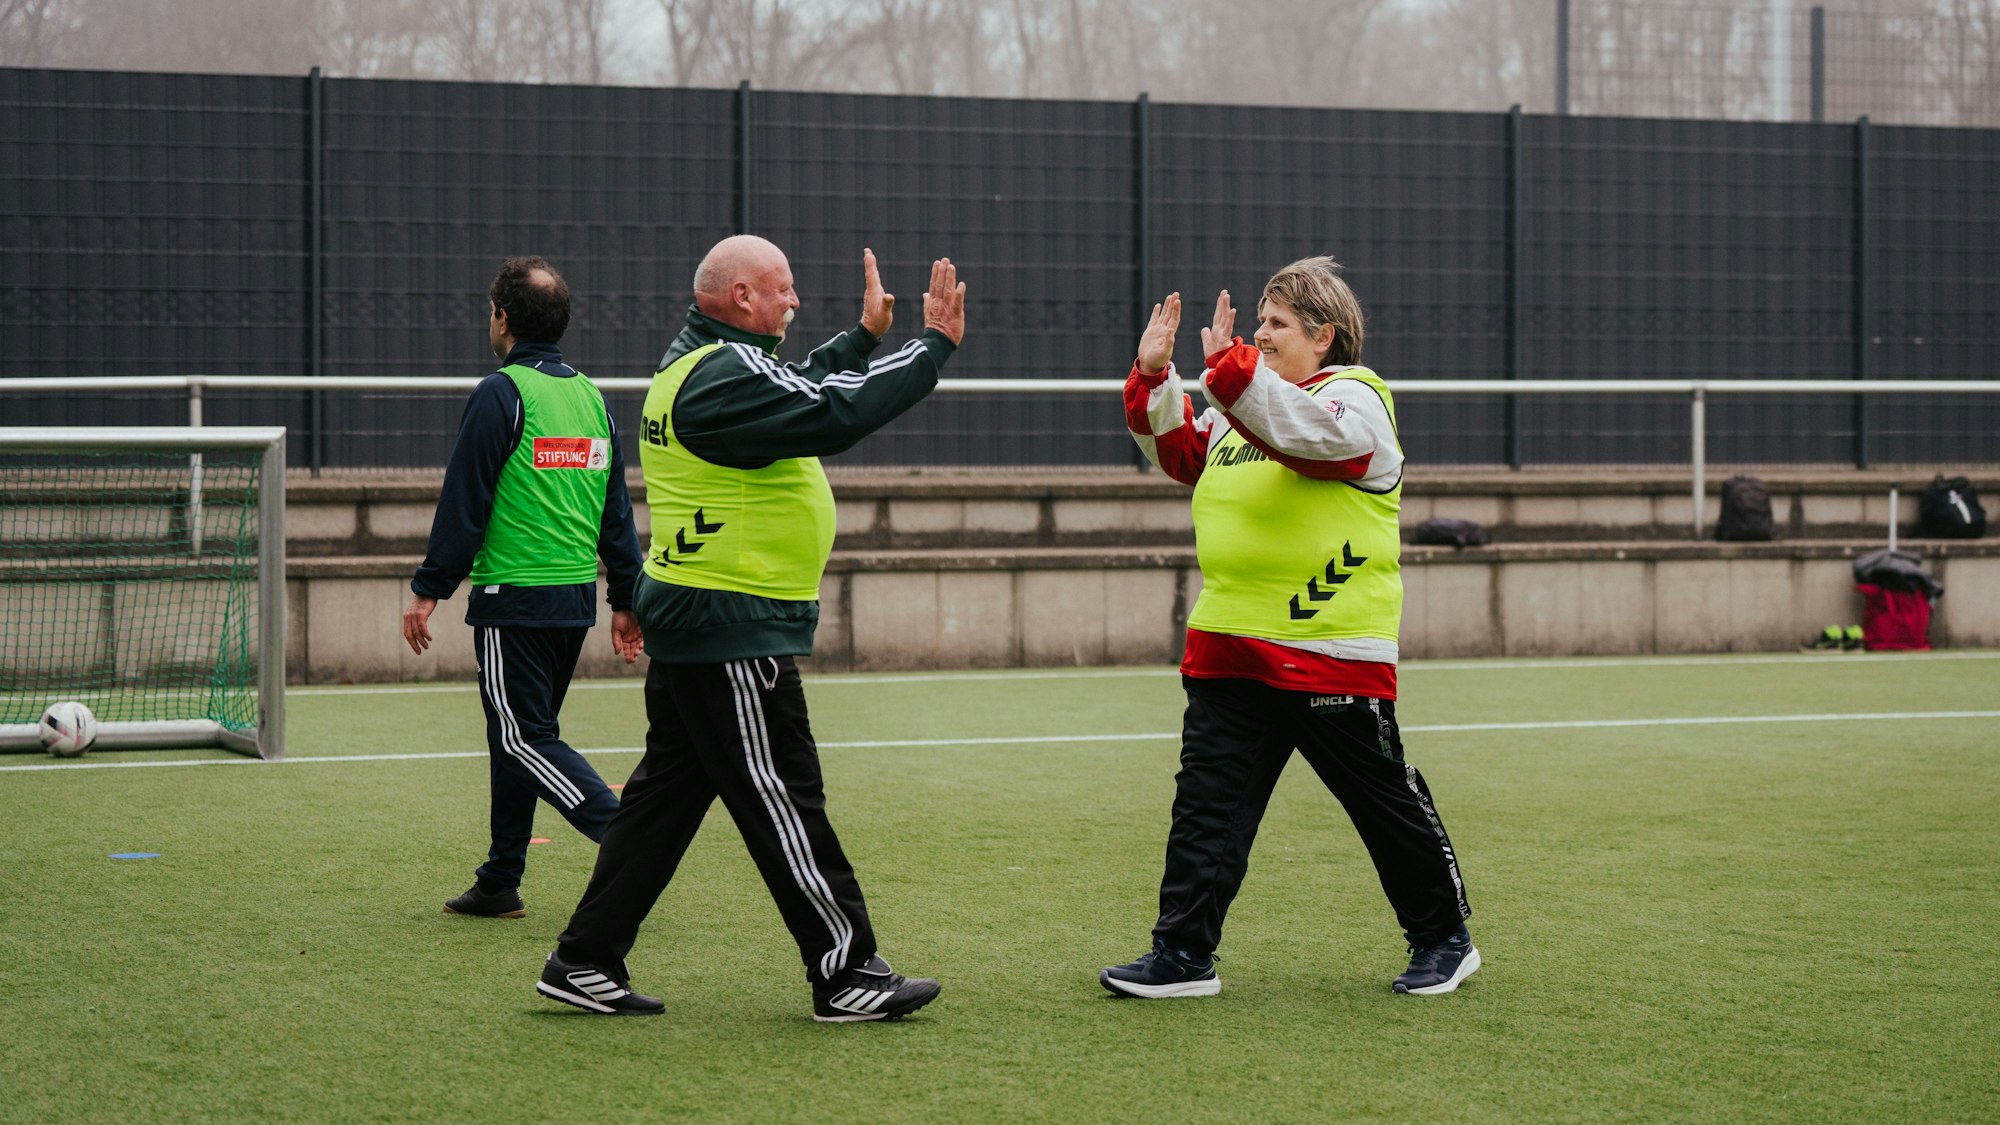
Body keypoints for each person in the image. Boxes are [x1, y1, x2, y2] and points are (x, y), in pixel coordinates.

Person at [534, 236, 967, 1021]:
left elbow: (798, 382)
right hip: (731, 624)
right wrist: (931, 346)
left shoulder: (693, 369)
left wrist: (865, 338)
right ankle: (845, 971)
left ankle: (584, 957)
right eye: (785, 287)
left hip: (707, 618)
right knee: (784, 795)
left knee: (663, 801)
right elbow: (834, 411)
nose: (796, 300)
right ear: (741, 296)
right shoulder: (722, 377)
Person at [1100, 257, 1478, 998]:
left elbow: (1310, 437)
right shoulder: (1245, 403)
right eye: (1260, 323)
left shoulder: (1356, 397)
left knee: (1384, 806)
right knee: (1206, 808)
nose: (1260, 335)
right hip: (1230, 643)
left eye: (1275, 323)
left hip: (1328, 651)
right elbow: (1180, 453)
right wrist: (1153, 378)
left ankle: (1444, 938)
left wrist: (1231, 373)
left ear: (1324, 335)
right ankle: (1182, 954)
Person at [402, 256, 644, 920]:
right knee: (520, 734)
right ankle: (501, 877)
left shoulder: (501, 392)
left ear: (502, 318)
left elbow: (465, 500)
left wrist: (429, 587)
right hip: (572, 604)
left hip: (515, 601)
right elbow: (615, 509)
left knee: (520, 737)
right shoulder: (590, 397)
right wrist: (626, 598)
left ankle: (628, 834)